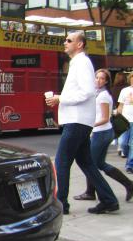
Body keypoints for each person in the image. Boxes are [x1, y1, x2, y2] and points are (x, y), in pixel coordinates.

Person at [45, 31, 119, 214]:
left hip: (77, 121)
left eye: (69, 40)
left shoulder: (82, 63)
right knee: (86, 162)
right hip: (79, 120)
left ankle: (61, 203)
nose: (65, 43)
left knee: (62, 161)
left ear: (79, 44)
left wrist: (60, 98)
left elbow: (87, 92)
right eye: (65, 40)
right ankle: (109, 200)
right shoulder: (78, 63)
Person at [73, 69, 133, 203]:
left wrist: (90, 125)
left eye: (102, 79)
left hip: (102, 132)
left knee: (90, 163)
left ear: (106, 81)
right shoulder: (96, 93)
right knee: (99, 163)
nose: (98, 80)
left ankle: (91, 192)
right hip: (101, 132)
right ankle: (128, 184)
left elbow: (105, 118)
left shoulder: (103, 95)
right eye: (96, 78)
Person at [117, 72, 133, 159]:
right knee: (123, 142)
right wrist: (117, 117)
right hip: (124, 120)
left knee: (132, 143)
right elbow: (121, 105)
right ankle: (127, 155)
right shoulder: (124, 90)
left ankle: (130, 165)